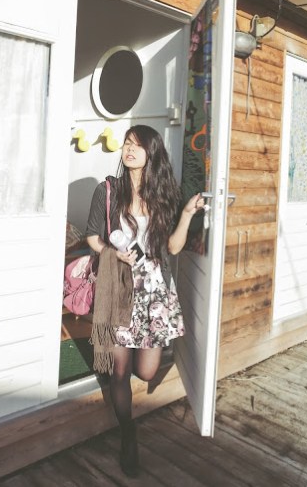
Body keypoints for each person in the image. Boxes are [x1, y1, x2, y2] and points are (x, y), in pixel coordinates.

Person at [86, 124, 204, 478]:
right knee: (120, 371)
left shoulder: (164, 194)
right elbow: (92, 236)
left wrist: (187, 214)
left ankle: (122, 398)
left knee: (147, 370)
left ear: (152, 152)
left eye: (137, 145)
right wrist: (112, 253)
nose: (129, 149)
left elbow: (173, 247)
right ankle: (128, 434)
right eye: (126, 144)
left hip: (154, 294)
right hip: (120, 288)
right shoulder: (107, 190)